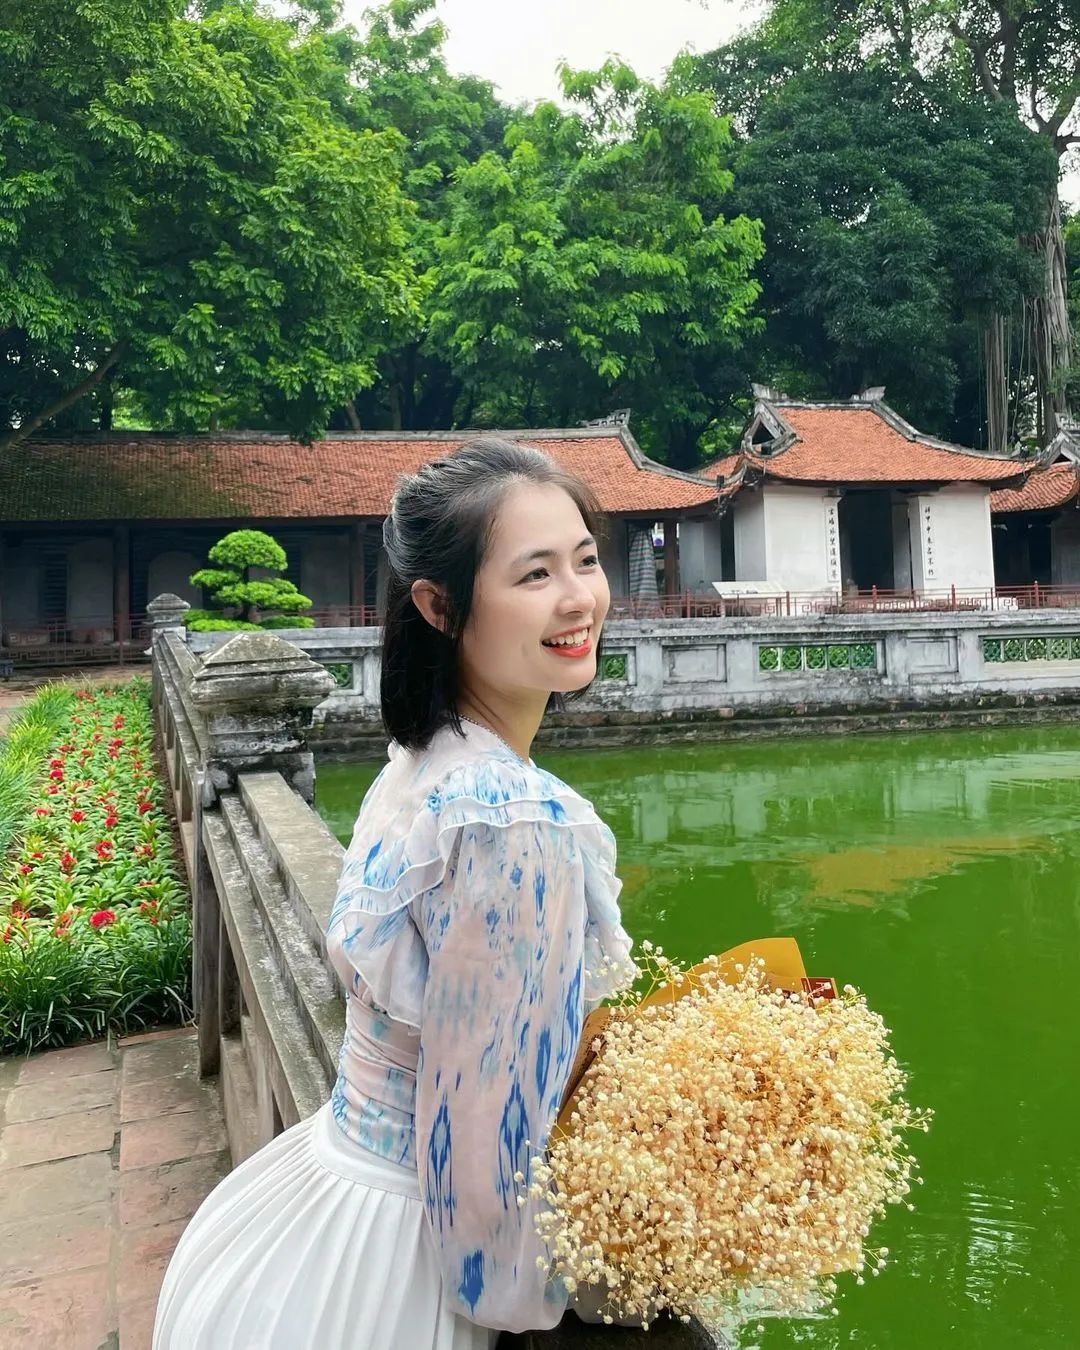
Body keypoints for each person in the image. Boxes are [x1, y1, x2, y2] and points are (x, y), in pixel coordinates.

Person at [152, 439, 637, 1348]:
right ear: (438, 606)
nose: (579, 598)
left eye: (585, 560)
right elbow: (481, 1165)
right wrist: (602, 1283)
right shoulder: (514, 824)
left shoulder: (420, 765)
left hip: (313, 1209)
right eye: (535, 574)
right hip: (397, 1271)